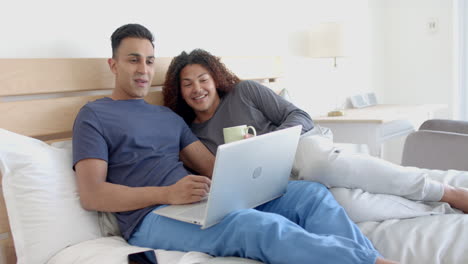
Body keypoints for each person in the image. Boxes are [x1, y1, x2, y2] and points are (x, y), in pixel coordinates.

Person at [72, 24, 397, 264]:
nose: (143, 70)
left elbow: (214, 167)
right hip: (151, 217)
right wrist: (168, 194)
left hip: (199, 204)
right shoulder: (95, 115)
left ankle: (367, 258)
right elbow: (92, 195)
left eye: (149, 61)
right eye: (133, 60)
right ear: (113, 64)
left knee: (309, 195)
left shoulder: (168, 118)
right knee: (255, 226)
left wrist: (253, 167)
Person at [162, 48, 468, 217]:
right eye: (187, 84)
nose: (197, 89)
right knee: (345, 204)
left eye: (202, 79)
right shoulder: (192, 136)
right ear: (179, 91)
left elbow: (299, 116)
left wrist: (272, 142)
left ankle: (446, 191)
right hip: (274, 179)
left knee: (320, 165)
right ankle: (437, 209)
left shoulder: (245, 92)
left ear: (214, 79)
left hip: (300, 146)